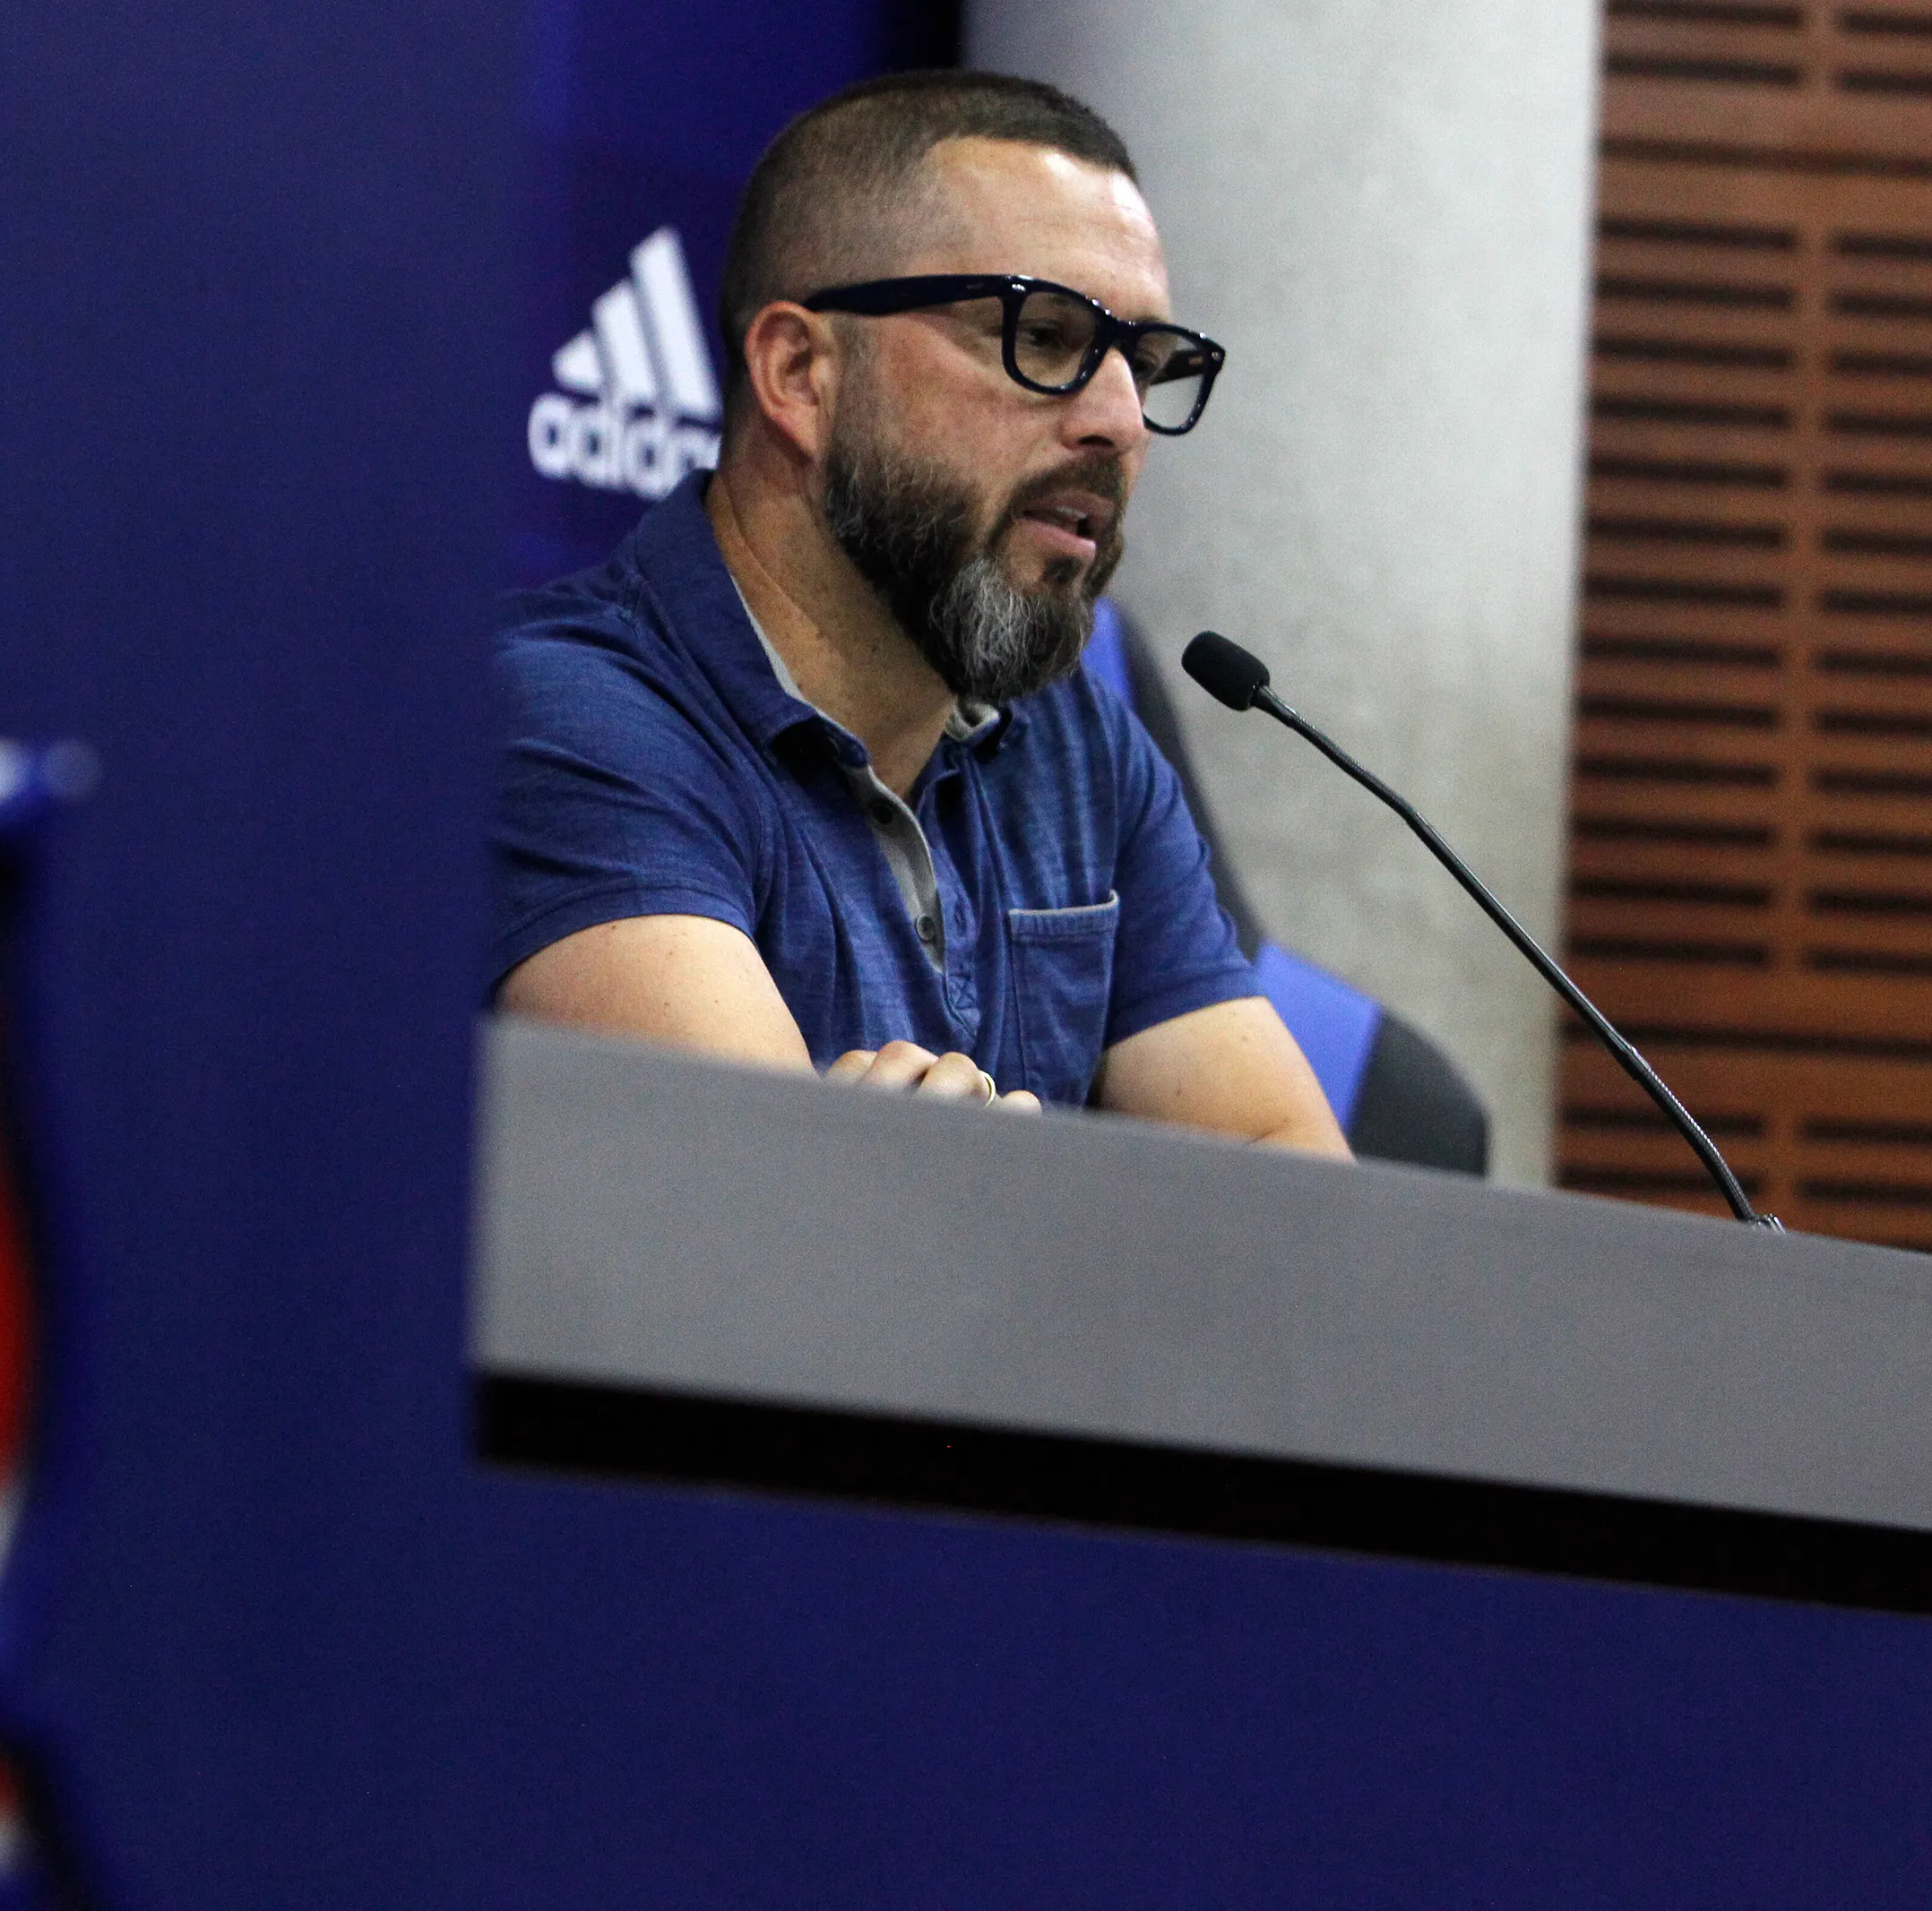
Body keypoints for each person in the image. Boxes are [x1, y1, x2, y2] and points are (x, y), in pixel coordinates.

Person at [490, 71, 1349, 1156]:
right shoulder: (574, 718)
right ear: (801, 371)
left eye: (1143, 363)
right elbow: (756, 1237)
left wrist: (946, 1188)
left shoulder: (1075, 739)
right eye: (1043, 338)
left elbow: (1305, 1217)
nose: (1119, 421)